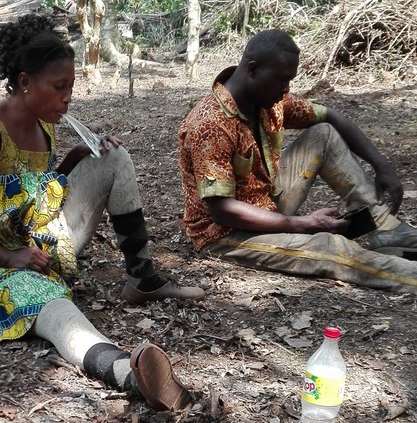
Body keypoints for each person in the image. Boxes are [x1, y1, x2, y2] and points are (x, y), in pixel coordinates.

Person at [0, 12, 204, 412]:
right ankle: (127, 372)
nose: (67, 98)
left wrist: (75, 158)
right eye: (59, 87)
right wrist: (7, 257)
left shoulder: (45, 123)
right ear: (24, 83)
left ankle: (142, 278)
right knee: (47, 300)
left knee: (114, 157)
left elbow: (32, 192)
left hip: (36, 241)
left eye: (71, 86)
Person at [178, 29, 417, 292]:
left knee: (322, 134)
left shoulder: (269, 102)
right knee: (329, 247)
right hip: (225, 233)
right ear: (253, 69)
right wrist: (304, 225)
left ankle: (383, 225)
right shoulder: (210, 124)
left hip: (268, 205)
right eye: (282, 80)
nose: (286, 89)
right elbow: (223, 210)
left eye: (289, 80)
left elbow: (330, 116)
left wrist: (381, 165)